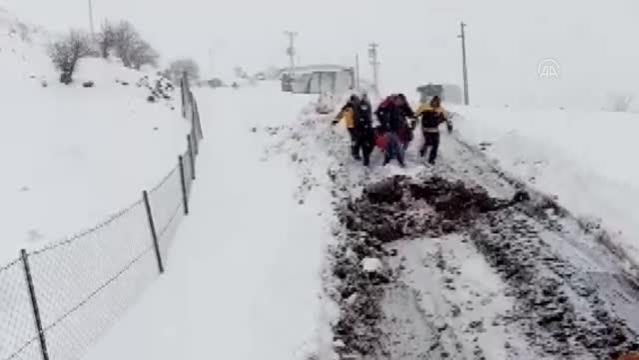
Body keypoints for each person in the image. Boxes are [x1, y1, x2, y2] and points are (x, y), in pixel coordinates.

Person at [375, 94, 416, 166]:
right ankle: (396, 161)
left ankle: (392, 160)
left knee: (402, 145)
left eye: (402, 101)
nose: (400, 102)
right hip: (391, 129)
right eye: (399, 100)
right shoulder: (389, 106)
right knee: (393, 146)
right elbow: (379, 112)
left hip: (402, 128)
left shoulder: (404, 106)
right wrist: (385, 124)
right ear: (395, 99)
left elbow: (411, 115)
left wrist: (413, 121)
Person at [414, 95, 452, 165]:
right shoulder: (425, 107)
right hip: (426, 129)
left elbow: (447, 119)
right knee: (428, 142)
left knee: (436, 145)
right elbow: (416, 114)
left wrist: (449, 126)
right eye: (434, 102)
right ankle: (422, 151)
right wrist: (414, 120)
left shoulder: (440, 109)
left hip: (435, 130)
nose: (435, 103)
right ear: (432, 101)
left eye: (437, 102)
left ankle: (431, 160)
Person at [333, 94, 361, 160]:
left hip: (351, 126)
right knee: (357, 139)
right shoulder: (355, 106)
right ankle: (355, 153)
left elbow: (341, 114)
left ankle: (355, 152)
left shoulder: (348, 106)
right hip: (355, 125)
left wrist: (336, 120)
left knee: (355, 139)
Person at [356, 92, 375, 166]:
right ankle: (366, 160)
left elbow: (370, 114)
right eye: (364, 96)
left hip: (369, 126)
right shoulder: (360, 104)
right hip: (362, 127)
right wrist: (361, 121)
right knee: (363, 144)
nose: (365, 97)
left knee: (372, 142)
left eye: (366, 96)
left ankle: (366, 155)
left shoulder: (369, 104)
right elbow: (358, 115)